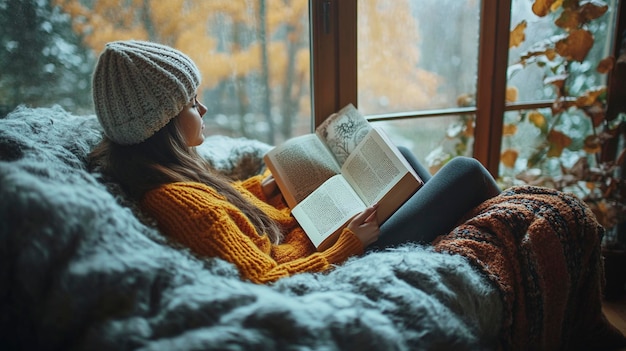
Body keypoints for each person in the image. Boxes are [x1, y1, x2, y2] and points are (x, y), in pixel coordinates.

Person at [89, 40, 501, 284]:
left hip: (313, 232)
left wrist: (264, 187)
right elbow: (266, 279)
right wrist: (350, 243)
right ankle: (499, 239)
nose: (205, 108)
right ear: (162, 122)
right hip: (337, 256)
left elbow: (223, 208)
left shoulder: (166, 176)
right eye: (193, 103)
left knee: (405, 159)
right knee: (465, 172)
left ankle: (465, 238)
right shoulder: (179, 203)